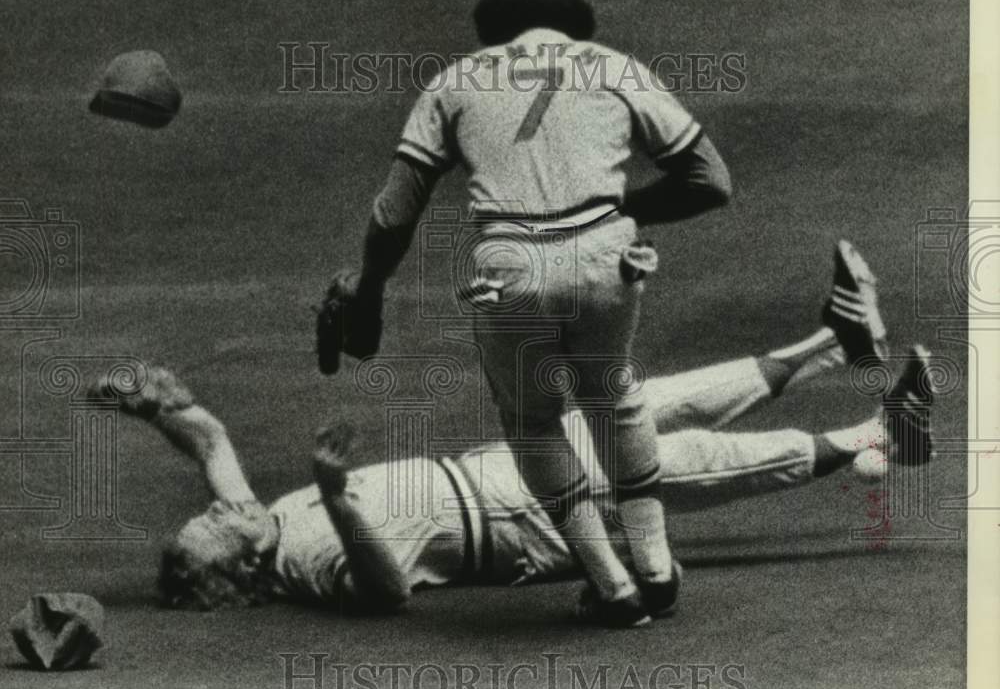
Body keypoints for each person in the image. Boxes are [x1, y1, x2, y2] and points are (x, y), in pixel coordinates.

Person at [101, 246, 936, 621]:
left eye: (209, 514)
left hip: (497, 469)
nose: (216, 510)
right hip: (520, 524)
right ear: (241, 569)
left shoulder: (261, 520)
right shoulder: (303, 564)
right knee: (688, 463)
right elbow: (388, 594)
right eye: (214, 527)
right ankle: (874, 436)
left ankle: (837, 342)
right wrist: (336, 497)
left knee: (651, 401)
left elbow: (208, 441)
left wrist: (146, 399)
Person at [346, 0, 735, 626]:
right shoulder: (616, 67)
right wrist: (620, 210)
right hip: (607, 258)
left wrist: (370, 290)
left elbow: (394, 214)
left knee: (531, 420)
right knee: (613, 395)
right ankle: (657, 567)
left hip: (511, 264)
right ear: (576, 23)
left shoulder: (457, 80)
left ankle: (613, 587)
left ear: (492, 29)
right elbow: (711, 182)